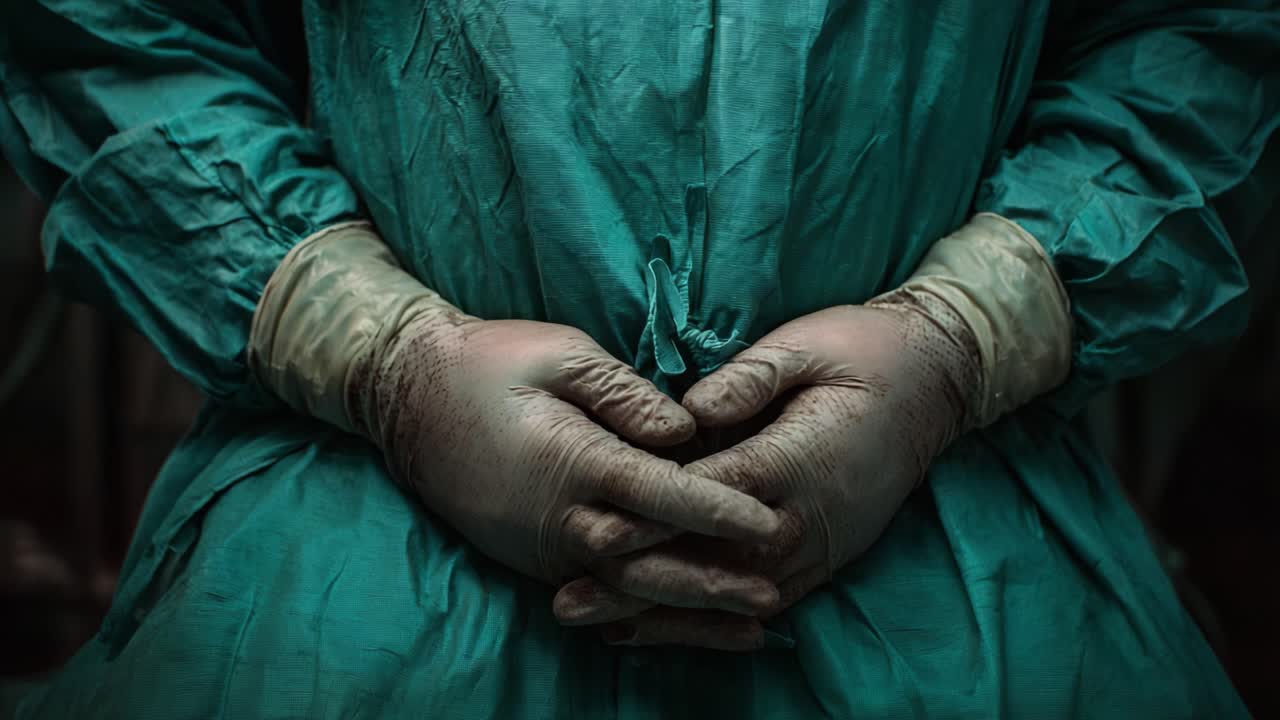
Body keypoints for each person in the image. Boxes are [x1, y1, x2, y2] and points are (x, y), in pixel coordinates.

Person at [1, 1, 1277, 717]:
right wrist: (372, 349)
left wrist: (968, 332)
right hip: (366, 553)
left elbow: (1197, 37)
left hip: (949, 559)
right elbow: (118, 30)